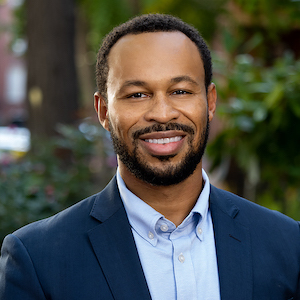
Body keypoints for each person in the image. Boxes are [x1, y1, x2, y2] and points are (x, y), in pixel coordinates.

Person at [0, 13, 299, 300]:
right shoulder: (38, 260)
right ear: (103, 111)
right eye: (137, 95)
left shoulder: (288, 244)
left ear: (209, 102)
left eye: (180, 91)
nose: (162, 113)